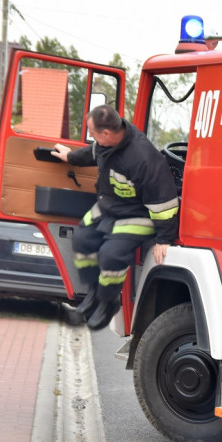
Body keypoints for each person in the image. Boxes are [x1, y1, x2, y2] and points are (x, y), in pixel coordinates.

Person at [51, 105, 179, 330]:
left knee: (111, 255)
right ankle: (93, 294)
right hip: (110, 206)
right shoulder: (105, 144)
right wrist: (69, 156)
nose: (92, 138)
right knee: (82, 239)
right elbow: (93, 153)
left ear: (106, 134)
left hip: (138, 214)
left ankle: (107, 302)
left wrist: (164, 239)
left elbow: (164, 203)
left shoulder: (144, 158)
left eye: (92, 134)